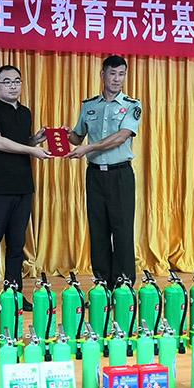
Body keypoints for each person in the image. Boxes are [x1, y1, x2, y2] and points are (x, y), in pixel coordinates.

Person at [0, 65, 50, 311]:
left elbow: (19, 143)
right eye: (7, 81)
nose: (13, 86)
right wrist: (32, 150)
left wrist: (35, 140)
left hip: (22, 187)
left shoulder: (25, 112)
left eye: (17, 81)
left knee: (17, 245)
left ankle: (14, 294)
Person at [68, 55, 141, 287]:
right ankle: (102, 285)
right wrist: (65, 134)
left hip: (120, 175)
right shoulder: (89, 106)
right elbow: (78, 137)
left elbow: (121, 137)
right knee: (98, 230)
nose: (117, 79)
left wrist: (89, 147)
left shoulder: (132, 105)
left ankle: (123, 285)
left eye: (121, 74)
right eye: (112, 73)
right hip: (95, 175)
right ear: (103, 75)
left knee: (122, 230)